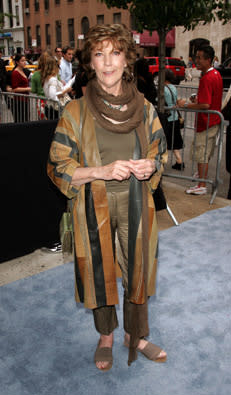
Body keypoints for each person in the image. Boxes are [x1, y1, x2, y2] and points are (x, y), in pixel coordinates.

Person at [47, 23, 168, 371]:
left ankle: (136, 335)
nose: (108, 62)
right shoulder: (75, 111)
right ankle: (106, 336)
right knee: (98, 272)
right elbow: (57, 164)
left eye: (115, 52)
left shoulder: (144, 109)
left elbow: (160, 154)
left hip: (136, 201)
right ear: (91, 62)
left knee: (138, 269)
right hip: (92, 204)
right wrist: (99, 171)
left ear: (127, 59)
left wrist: (150, 166)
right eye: (99, 54)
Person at [178, 45, 223, 195]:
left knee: (201, 153)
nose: (195, 61)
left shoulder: (207, 78)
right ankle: (201, 179)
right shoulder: (215, 74)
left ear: (208, 60)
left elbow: (205, 104)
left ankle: (202, 184)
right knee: (204, 153)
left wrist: (186, 104)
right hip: (212, 121)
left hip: (206, 122)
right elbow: (207, 100)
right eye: (195, 57)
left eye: (199, 58)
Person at [164, 69, 184, 170]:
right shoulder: (173, 87)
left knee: (165, 141)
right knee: (174, 141)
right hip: (175, 117)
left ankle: (162, 162)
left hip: (167, 118)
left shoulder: (163, 89)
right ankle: (179, 161)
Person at [41, 55, 71, 120]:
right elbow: (52, 96)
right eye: (58, 66)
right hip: (55, 109)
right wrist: (65, 91)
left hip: (50, 107)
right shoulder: (52, 79)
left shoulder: (46, 78)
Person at [11, 54, 31, 123]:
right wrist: (27, 89)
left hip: (25, 99)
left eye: (25, 60)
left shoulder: (23, 71)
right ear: (17, 62)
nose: (24, 62)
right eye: (22, 61)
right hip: (19, 100)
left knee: (26, 119)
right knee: (21, 120)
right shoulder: (15, 73)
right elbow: (15, 89)